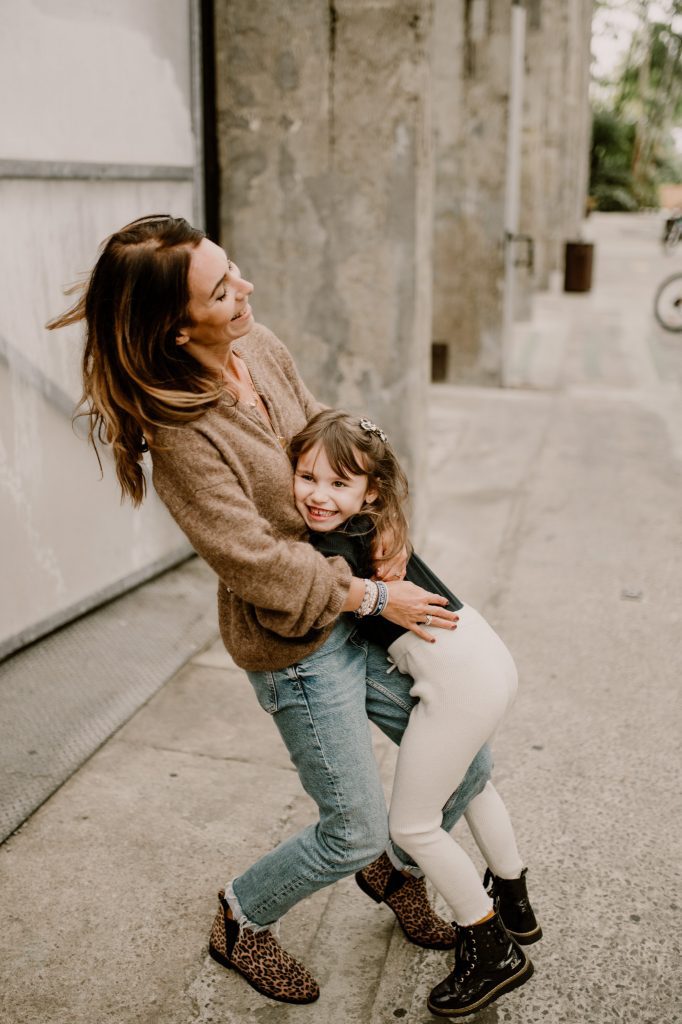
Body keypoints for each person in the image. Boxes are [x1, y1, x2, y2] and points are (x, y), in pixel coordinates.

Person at [47, 214, 492, 1007]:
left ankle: (396, 868)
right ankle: (241, 920)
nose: (245, 290)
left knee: (468, 763)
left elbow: (332, 442)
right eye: (221, 291)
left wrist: (382, 522)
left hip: (358, 602)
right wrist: (369, 594)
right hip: (298, 646)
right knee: (348, 829)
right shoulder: (179, 430)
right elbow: (250, 559)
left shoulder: (259, 344)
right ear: (176, 329)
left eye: (234, 269)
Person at [288, 408, 541, 1018]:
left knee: (411, 827)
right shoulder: (378, 520)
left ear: (368, 491)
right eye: (306, 477)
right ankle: (515, 902)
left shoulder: (331, 543)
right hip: (486, 656)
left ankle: (492, 950)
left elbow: (299, 586)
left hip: (460, 679)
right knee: (473, 782)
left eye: (338, 484)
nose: (319, 496)